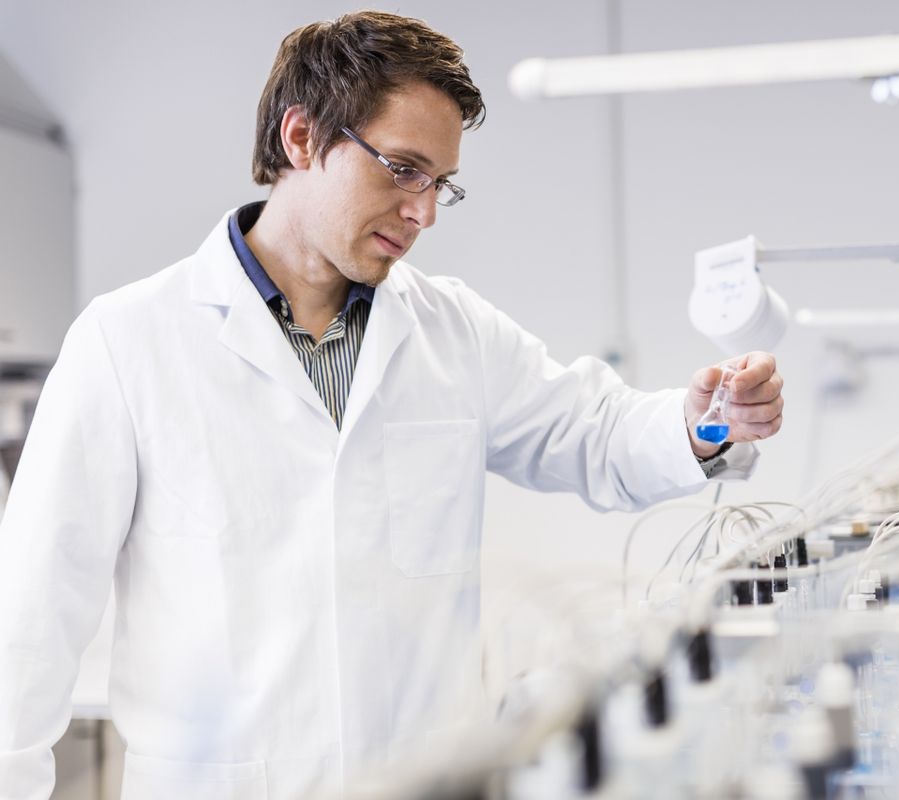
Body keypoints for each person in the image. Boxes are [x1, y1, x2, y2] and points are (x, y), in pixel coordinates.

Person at [0, 11, 783, 799]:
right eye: (403, 169)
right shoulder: (128, 341)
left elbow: (594, 436)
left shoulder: (453, 332)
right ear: (302, 137)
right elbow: (30, 617)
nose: (424, 212)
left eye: (439, 183)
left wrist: (705, 423)